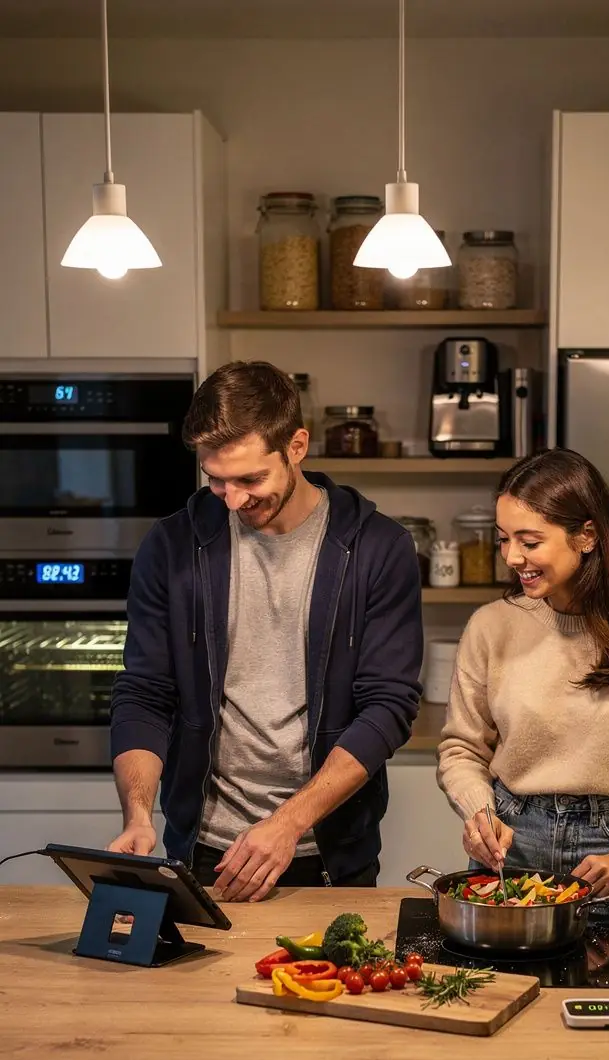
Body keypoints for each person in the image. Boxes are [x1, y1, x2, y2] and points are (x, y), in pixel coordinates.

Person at [109, 360, 423, 901]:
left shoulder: (378, 548)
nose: (233, 500)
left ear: (296, 446)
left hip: (328, 856)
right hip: (205, 853)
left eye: (251, 479)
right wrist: (139, 814)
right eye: (216, 480)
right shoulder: (170, 547)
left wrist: (287, 825)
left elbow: (387, 708)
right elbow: (144, 693)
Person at [437, 448, 609, 897]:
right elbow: (462, 749)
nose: (511, 557)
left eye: (529, 542)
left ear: (586, 536)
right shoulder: (491, 626)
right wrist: (479, 815)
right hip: (511, 845)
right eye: (503, 539)